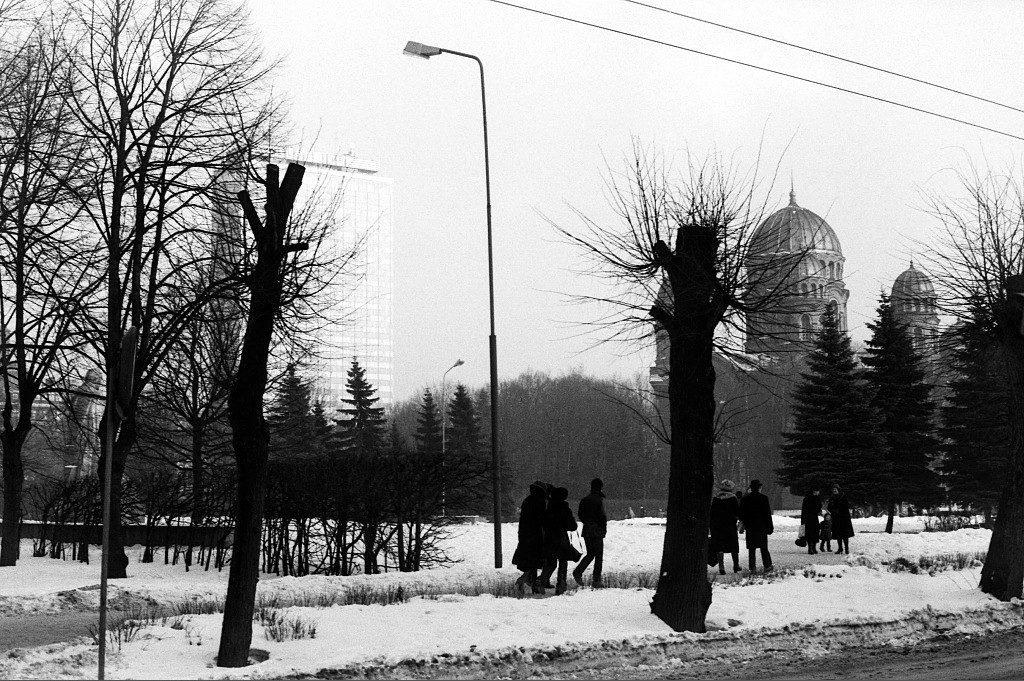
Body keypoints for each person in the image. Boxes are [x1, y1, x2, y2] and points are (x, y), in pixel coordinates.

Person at [538, 487, 578, 594]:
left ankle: (541, 582)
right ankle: (561, 584)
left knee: (550, 562)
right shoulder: (565, 508)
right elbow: (572, 526)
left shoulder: (548, 507)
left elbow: (543, 522)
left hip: (548, 539)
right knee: (563, 561)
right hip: (561, 538)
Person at [512, 481, 548, 594]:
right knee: (534, 561)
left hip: (525, 535)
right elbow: (542, 519)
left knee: (530, 561)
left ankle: (530, 583)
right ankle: (525, 581)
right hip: (536, 536)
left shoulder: (527, 501)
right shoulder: (539, 502)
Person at [573, 477, 607, 588]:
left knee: (590, 554)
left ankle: (578, 572)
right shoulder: (598, 500)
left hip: (587, 530)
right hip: (597, 531)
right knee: (598, 556)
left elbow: (580, 514)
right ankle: (596, 580)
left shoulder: (585, 500)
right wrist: (603, 529)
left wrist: (588, 523)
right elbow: (602, 517)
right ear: (600, 487)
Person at [739, 479, 774, 572]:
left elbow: (741, 514)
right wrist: (770, 527)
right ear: (759, 487)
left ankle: (752, 567)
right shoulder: (764, 498)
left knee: (751, 548)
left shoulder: (745, 499)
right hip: (761, 526)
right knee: (764, 547)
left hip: (750, 526)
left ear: (751, 487)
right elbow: (767, 514)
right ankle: (767, 565)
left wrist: (744, 524)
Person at [709, 479, 741, 574]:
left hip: (717, 526)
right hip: (730, 525)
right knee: (733, 546)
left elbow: (712, 513)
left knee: (719, 547)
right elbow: (737, 512)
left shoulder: (716, 498)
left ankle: (721, 567)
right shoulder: (733, 498)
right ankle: (736, 565)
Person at [828, 484, 854, 555]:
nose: (834, 490)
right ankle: (840, 548)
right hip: (836, 518)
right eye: (833, 489)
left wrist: (839, 509)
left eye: (835, 489)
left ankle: (846, 549)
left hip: (844, 518)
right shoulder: (832, 497)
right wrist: (833, 510)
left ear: (838, 489)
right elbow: (829, 507)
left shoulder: (843, 496)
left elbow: (846, 505)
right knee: (838, 534)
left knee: (845, 534)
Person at [800, 489, 822, 555]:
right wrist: (803, 520)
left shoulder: (817, 498)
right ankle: (810, 548)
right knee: (810, 533)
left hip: (813, 518)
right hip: (809, 518)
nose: (818, 492)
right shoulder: (808, 499)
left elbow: (819, 507)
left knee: (815, 532)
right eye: (817, 491)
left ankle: (813, 548)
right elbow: (805, 510)